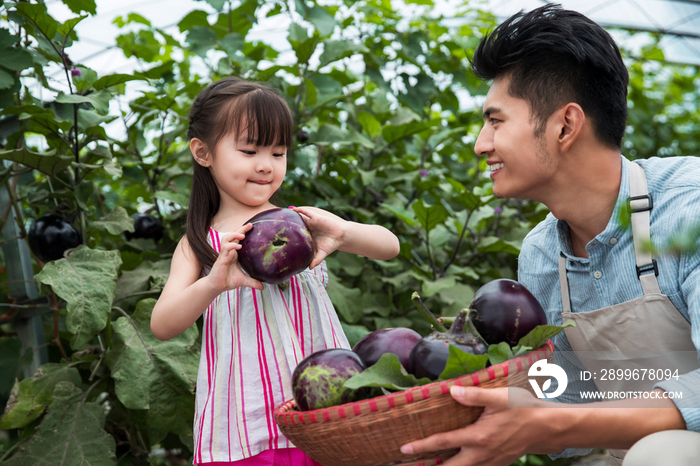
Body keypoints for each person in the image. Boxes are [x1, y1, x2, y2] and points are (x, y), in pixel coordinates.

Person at [399, 5, 700, 466]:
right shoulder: (542, 254)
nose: (480, 143)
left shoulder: (688, 208)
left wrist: (549, 422)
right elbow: (565, 408)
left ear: (565, 125)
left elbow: (558, 422)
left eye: (495, 121)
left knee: (662, 453)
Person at [150, 77, 400, 466]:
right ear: (203, 152)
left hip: (327, 411)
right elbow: (163, 324)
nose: (266, 165)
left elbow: (389, 246)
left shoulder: (302, 224)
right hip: (245, 426)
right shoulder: (201, 243)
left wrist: (343, 231)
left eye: (278, 153)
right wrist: (213, 283)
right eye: (249, 150)